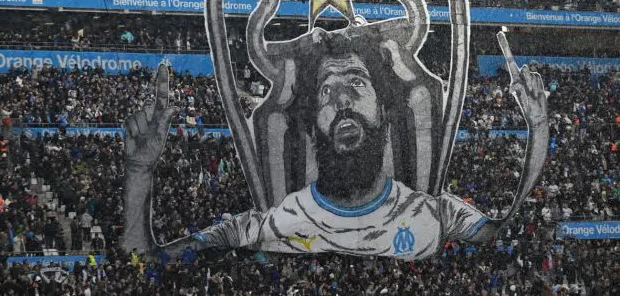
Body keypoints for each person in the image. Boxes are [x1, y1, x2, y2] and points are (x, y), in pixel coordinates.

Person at [124, 36, 547, 259]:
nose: (342, 100)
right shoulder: (272, 224)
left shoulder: (432, 215)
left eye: (357, 84)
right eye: (327, 91)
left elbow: (503, 229)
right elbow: (144, 261)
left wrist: (540, 126)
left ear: (383, 111)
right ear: (311, 127)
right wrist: (140, 171)